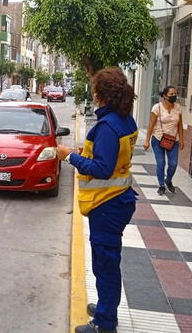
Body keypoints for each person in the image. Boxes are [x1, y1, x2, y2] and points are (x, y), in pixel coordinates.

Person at [57, 67, 138, 333]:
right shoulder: (126, 120)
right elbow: (111, 159)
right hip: (119, 199)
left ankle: (105, 323)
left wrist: (69, 156)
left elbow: (103, 168)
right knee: (108, 261)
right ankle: (106, 307)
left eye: (95, 91)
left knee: (105, 265)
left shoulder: (107, 126)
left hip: (107, 203)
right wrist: (85, 154)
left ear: (102, 94)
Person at [143, 86, 184, 195]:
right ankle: (161, 185)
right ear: (165, 96)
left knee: (173, 164)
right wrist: (147, 140)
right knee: (161, 163)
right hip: (158, 139)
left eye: (175, 93)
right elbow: (151, 125)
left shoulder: (178, 107)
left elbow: (179, 125)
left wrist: (182, 140)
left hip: (173, 140)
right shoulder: (157, 108)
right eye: (171, 94)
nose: (174, 96)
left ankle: (168, 180)